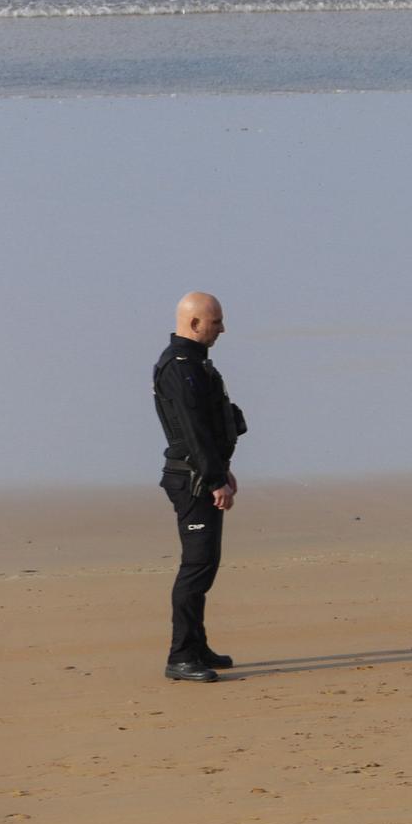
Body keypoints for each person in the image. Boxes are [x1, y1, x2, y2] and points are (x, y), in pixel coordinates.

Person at [153, 292, 247, 683]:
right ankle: (181, 656)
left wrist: (222, 472)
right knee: (195, 567)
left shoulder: (196, 364)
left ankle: (197, 645)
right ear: (194, 323)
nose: (222, 328)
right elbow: (192, 432)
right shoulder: (179, 367)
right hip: (191, 480)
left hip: (204, 475)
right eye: (216, 321)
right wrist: (212, 479)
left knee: (206, 564)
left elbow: (212, 425)